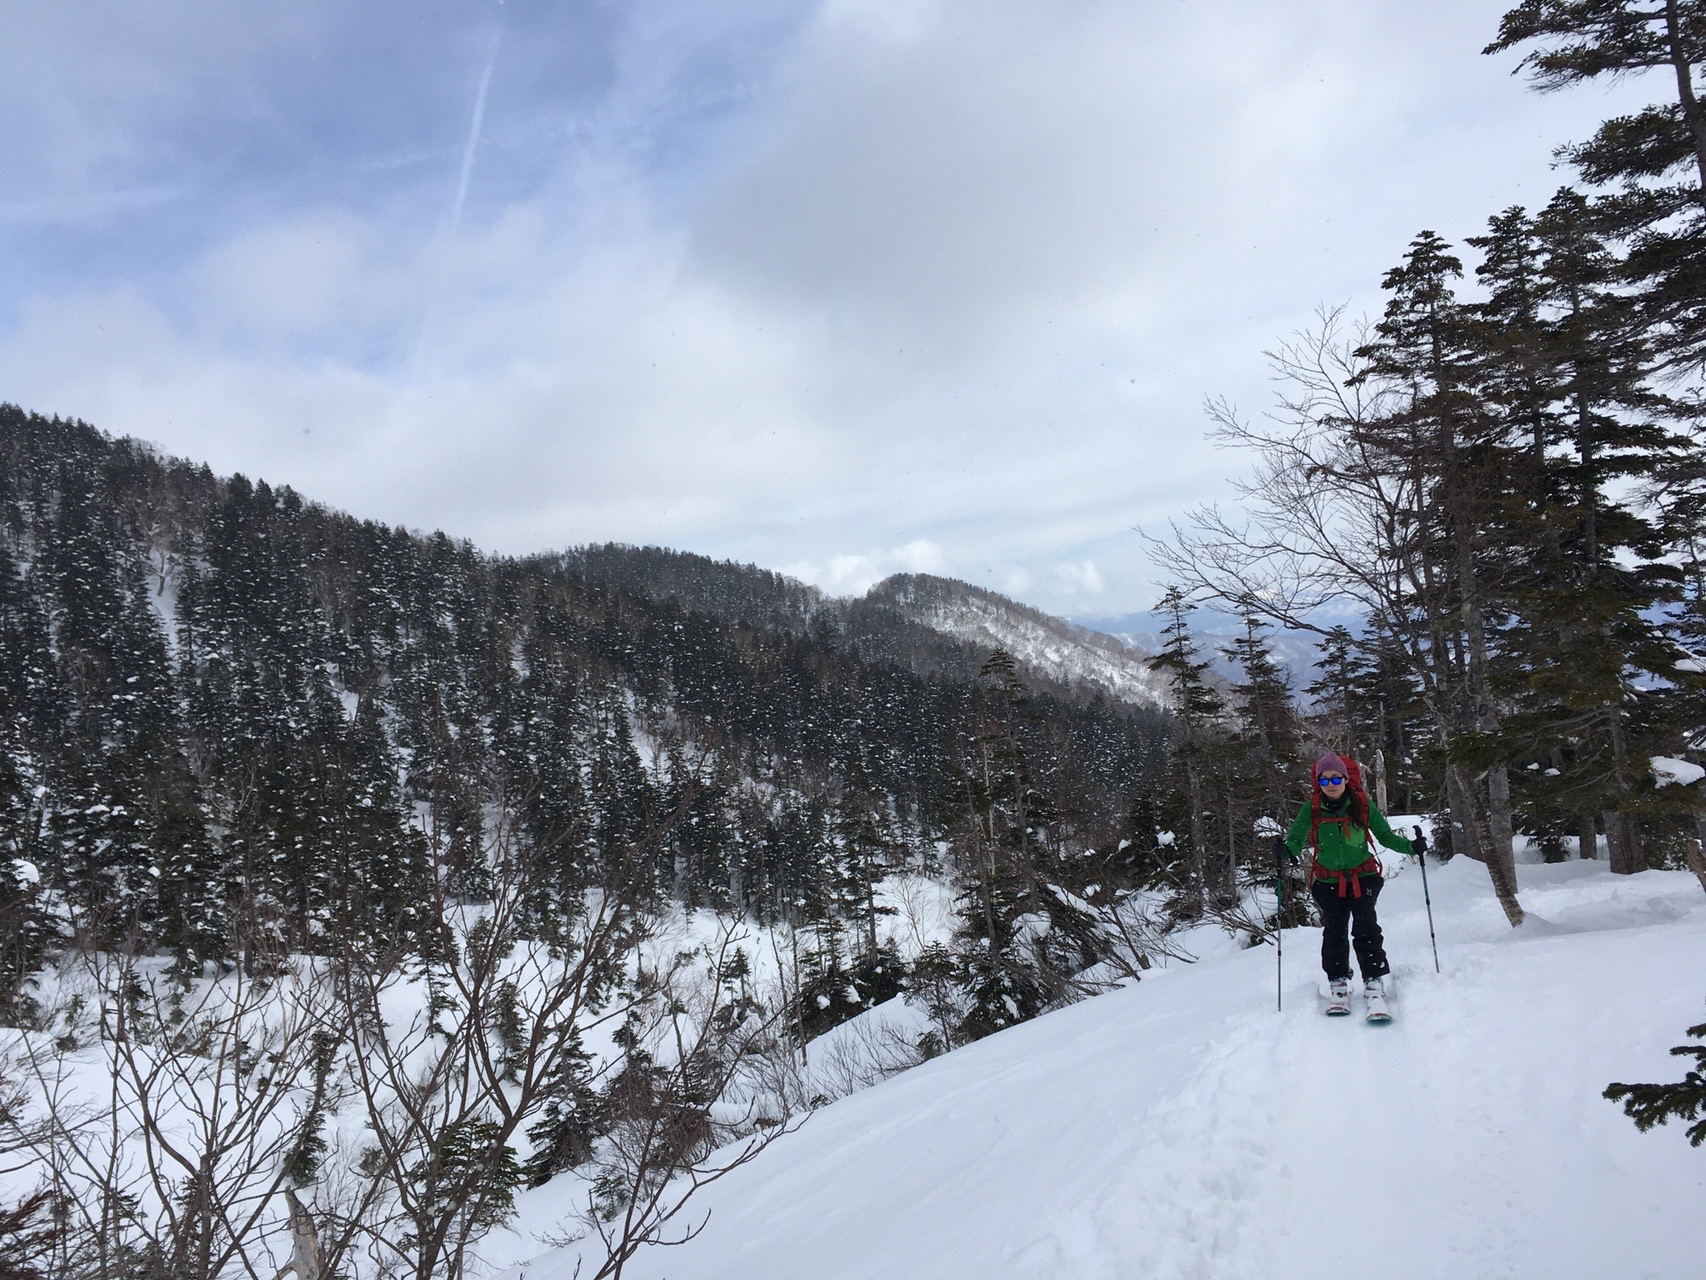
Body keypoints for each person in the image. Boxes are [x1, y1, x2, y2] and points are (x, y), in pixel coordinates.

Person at [1273, 752, 1426, 1018]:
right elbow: (1296, 840)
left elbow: (1386, 837)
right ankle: (1338, 983)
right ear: (1318, 783)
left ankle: (1373, 982)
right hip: (1327, 879)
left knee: (1366, 925)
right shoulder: (1311, 808)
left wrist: (1413, 847)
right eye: (1324, 780)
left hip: (1364, 876)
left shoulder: (1362, 804)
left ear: (1345, 778)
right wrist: (1285, 850)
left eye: (1335, 778)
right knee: (1334, 931)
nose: (1330, 784)